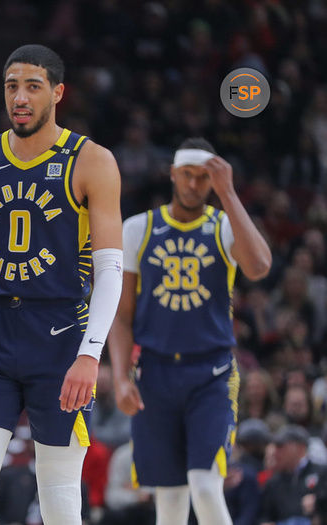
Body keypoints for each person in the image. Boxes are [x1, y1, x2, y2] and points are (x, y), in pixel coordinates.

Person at [0, 44, 124, 524]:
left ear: (57, 93)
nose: (20, 96)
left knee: (58, 495)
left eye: (33, 86)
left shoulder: (91, 161)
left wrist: (90, 353)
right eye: (12, 85)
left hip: (59, 333)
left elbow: (110, 271)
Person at [108, 138, 272, 525]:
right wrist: (119, 377)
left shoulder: (223, 226)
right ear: (172, 174)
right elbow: (121, 315)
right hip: (155, 371)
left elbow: (261, 267)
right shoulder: (138, 229)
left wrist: (228, 193)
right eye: (188, 175)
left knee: (204, 484)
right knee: (169, 498)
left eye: (203, 178)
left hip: (210, 373)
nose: (195, 185)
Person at [260, 425, 327, 525]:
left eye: (281, 446)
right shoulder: (273, 482)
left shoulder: (322, 472)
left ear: (300, 448)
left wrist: (319, 506)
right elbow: (264, 515)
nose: (276, 452)